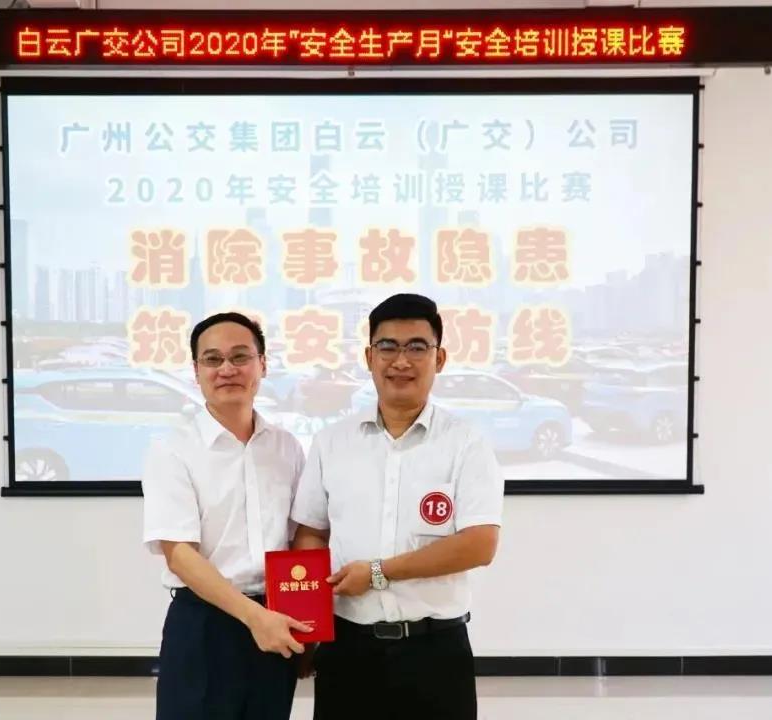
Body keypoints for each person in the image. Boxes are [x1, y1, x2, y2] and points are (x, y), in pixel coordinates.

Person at [291, 293, 505, 720]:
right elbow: (311, 533)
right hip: (348, 650)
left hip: (435, 652)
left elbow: (479, 544)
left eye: (416, 347)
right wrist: (308, 625)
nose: (401, 361)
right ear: (369, 357)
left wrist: (377, 572)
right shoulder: (332, 442)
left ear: (439, 358)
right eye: (388, 346)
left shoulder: (466, 443)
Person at [143, 312, 311, 720]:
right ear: (196, 371)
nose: (227, 369)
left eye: (240, 356)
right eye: (213, 359)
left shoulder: (287, 447)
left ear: (263, 364)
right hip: (204, 624)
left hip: (276, 619)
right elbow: (179, 554)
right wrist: (255, 618)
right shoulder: (173, 449)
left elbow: (300, 541)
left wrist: (310, 623)